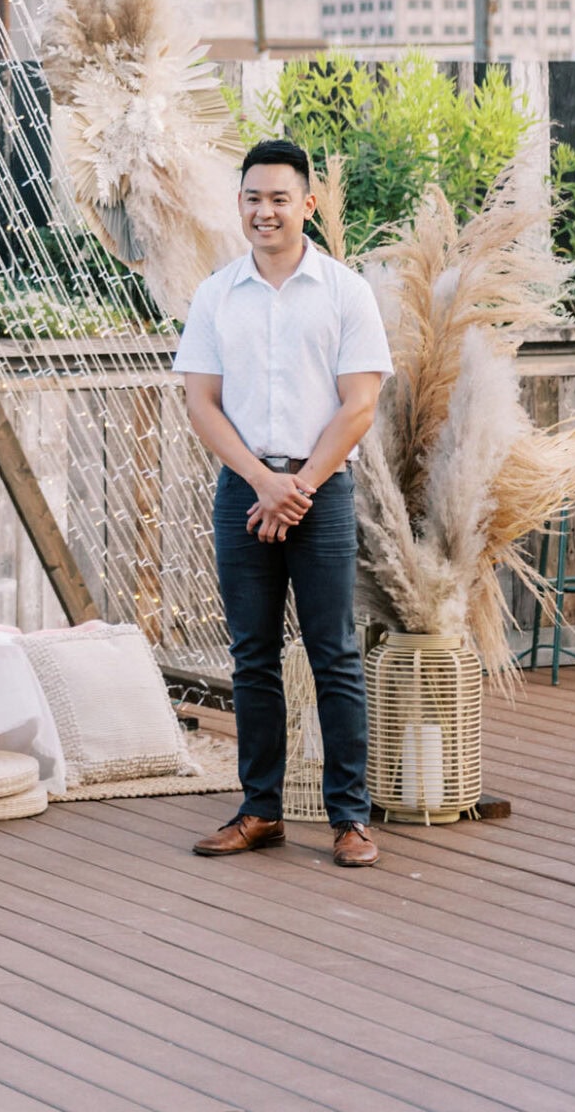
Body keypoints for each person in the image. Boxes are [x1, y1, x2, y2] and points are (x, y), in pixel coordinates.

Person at [174, 136, 392, 868]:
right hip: (243, 489)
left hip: (321, 491)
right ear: (238, 205)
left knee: (333, 653)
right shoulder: (214, 295)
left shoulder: (344, 292)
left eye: (278, 198)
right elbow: (201, 405)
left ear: (307, 203)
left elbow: (358, 405)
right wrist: (262, 483)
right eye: (251, 198)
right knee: (251, 656)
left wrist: (296, 487)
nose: (264, 211)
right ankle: (259, 810)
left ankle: (350, 818)